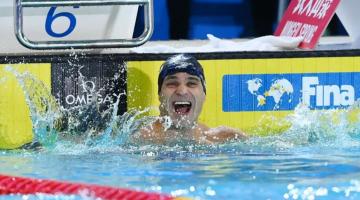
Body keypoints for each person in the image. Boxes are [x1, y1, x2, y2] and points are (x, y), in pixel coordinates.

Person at [134, 54, 247, 145]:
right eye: (172, 83)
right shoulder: (141, 141)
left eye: (191, 83)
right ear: (159, 95)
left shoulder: (223, 137)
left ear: (204, 95)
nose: (182, 91)